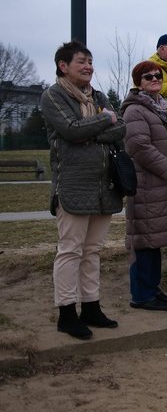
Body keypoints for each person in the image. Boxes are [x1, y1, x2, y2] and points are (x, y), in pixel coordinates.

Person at [40, 41, 126, 339]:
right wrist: (103, 120)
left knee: (93, 251)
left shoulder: (99, 95)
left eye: (90, 61)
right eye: (81, 61)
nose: (88, 66)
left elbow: (121, 129)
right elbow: (71, 130)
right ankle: (66, 312)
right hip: (73, 186)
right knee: (70, 250)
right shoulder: (53, 96)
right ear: (63, 66)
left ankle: (91, 306)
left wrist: (93, 128)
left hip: (104, 186)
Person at [120, 61, 167, 311]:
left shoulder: (164, 108)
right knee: (143, 241)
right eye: (147, 76)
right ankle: (141, 295)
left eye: (157, 75)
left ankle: (151, 288)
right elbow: (139, 147)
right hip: (148, 186)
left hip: (166, 185)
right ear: (138, 82)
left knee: (155, 242)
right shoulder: (135, 111)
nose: (154, 79)